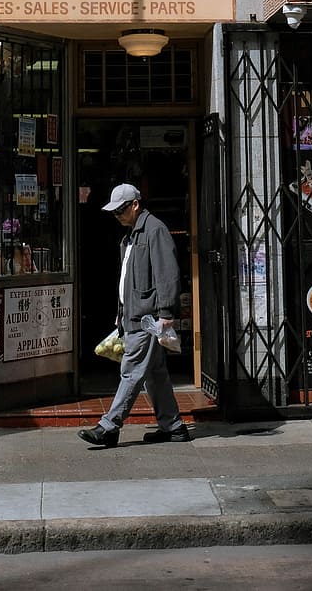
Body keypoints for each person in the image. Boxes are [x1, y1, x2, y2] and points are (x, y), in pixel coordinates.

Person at [78, 182, 190, 447]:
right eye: (114, 211)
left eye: (121, 210)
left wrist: (165, 312)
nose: (117, 215)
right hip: (136, 315)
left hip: (147, 317)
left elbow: (167, 274)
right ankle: (173, 426)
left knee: (131, 371)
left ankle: (109, 426)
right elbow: (128, 279)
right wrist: (121, 313)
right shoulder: (131, 235)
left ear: (135, 205)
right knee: (155, 374)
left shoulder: (154, 230)